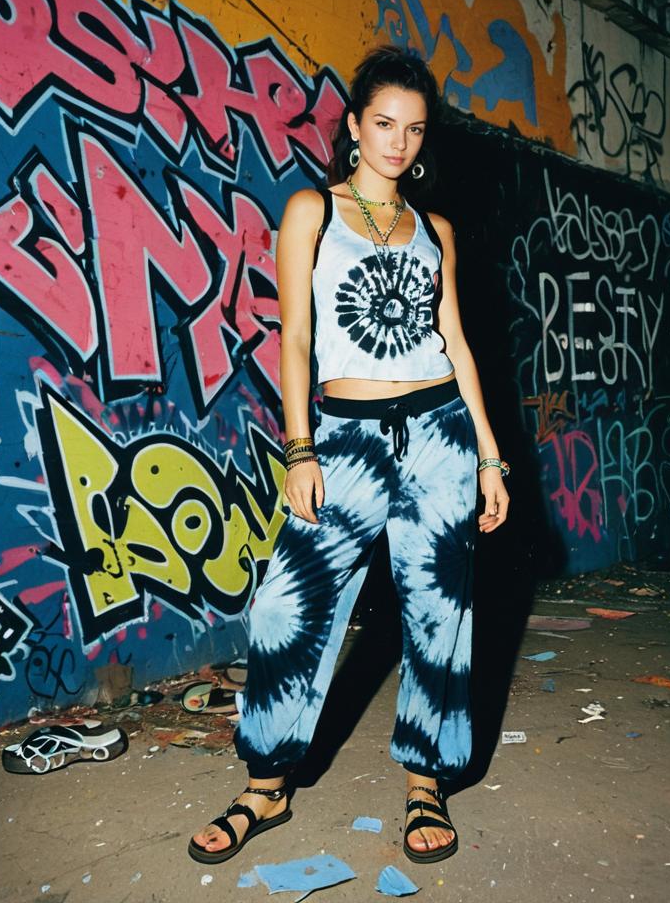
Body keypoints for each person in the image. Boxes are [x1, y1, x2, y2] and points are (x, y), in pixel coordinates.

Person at [189, 46, 509, 866]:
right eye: (384, 125)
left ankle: (425, 783)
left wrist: (489, 457)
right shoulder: (312, 213)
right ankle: (268, 783)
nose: (399, 143)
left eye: (414, 129)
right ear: (356, 127)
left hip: (439, 431)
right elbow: (294, 339)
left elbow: (458, 345)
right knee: (286, 606)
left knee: (439, 610)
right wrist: (300, 446)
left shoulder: (436, 230)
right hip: (345, 436)